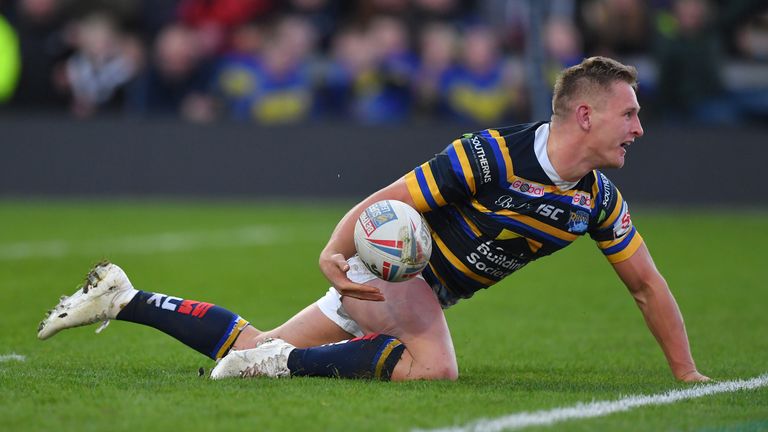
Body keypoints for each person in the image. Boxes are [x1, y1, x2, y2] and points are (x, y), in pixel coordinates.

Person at [38, 56, 710, 383]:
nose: (640, 129)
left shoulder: (597, 202)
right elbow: (390, 200)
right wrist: (337, 251)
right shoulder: (492, 156)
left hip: (407, 284)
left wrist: (685, 374)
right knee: (435, 368)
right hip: (392, 265)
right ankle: (282, 365)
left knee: (254, 346)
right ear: (586, 115)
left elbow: (646, 285)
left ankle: (125, 297)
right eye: (630, 115)